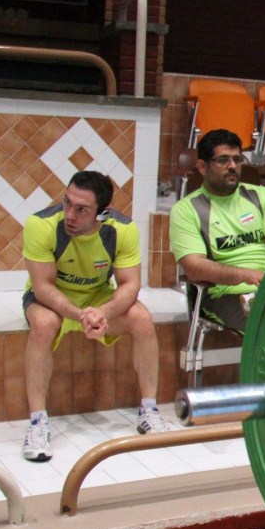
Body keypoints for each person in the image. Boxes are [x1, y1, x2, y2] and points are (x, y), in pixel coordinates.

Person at [21, 171, 162, 461]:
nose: (70, 214)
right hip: (52, 298)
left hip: (97, 297)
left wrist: (103, 312)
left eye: (82, 209)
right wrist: (81, 315)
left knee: (142, 318)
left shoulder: (122, 230)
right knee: (44, 324)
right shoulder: (41, 225)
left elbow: (130, 285)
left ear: (101, 213)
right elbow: (42, 287)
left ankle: (149, 409)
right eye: (67, 203)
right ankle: (37, 422)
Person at [169, 129, 265, 333]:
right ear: (202, 166)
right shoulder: (186, 210)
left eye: (237, 159)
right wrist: (247, 275)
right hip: (226, 294)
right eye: (223, 160)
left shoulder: (264, 196)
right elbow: (195, 267)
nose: (233, 166)